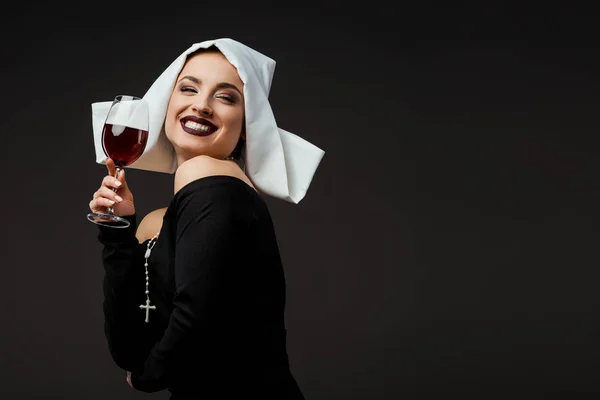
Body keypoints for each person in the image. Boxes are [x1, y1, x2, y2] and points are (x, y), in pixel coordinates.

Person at [87, 38, 324, 399]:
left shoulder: (207, 174)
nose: (201, 105)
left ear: (247, 125)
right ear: (167, 103)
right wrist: (117, 233)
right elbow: (130, 349)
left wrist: (150, 377)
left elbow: (196, 319)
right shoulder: (158, 221)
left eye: (225, 97)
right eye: (189, 88)